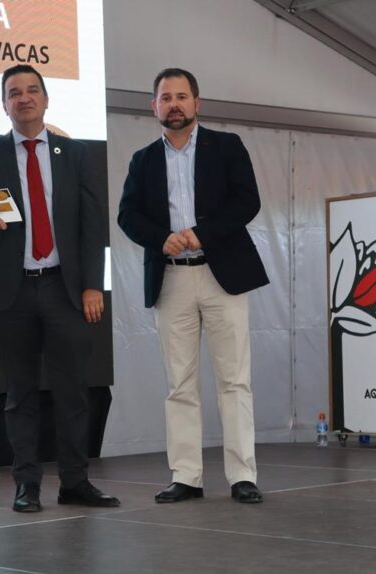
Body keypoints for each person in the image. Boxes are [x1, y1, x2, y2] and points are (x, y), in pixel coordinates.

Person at [0, 64, 119, 512]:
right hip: (10, 292)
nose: (24, 98)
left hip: (65, 290)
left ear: (46, 99)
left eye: (33, 90)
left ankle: (75, 482)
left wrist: (93, 285)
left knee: (73, 392)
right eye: (14, 92)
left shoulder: (74, 154)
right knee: (20, 395)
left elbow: (91, 224)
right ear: (4, 105)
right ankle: (26, 485)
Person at [117, 68, 269, 504]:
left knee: (234, 380)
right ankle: (186, 476)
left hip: (223, 275)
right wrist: (160, 238)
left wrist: (203, 234)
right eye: (165, 98)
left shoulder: (227, 146)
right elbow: (128, 215)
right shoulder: (143, 159)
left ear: (197, 103)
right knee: (179, 383)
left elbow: (247, 201)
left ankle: (242, 475)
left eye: (181, 96)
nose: (174, 105)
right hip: (171, 278)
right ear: (154, 107)